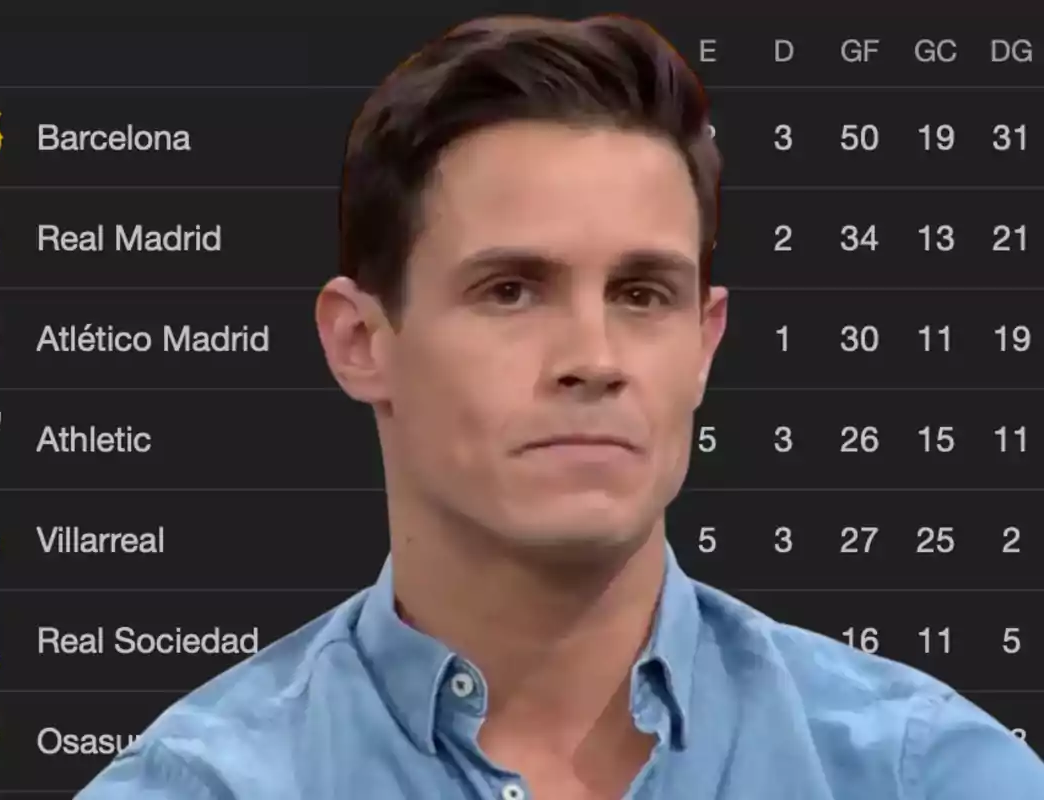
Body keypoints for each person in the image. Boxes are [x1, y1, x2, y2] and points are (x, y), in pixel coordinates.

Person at [77, 13, 1044, 799]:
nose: (593, 359)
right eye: (511, 290)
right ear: (361, 342)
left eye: (642, 294)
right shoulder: (204, 788)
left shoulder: (927, 775)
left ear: (704, 343)